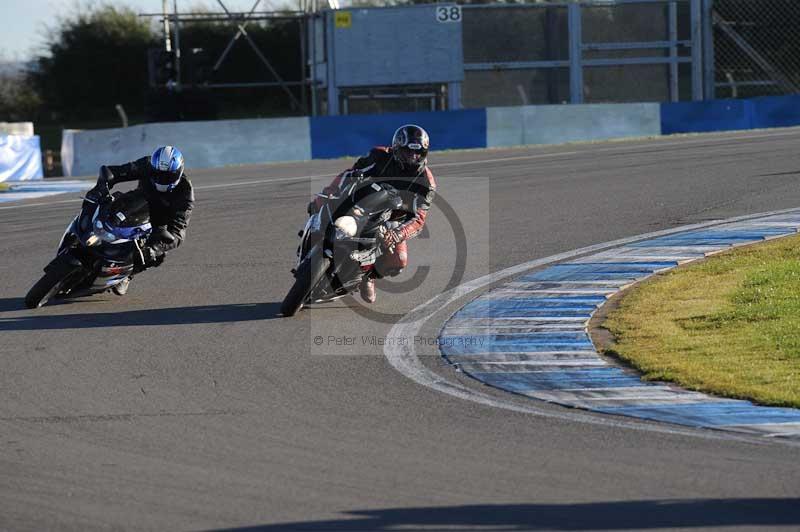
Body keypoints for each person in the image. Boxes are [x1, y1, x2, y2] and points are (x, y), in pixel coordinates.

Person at [309, 124, 436, 304]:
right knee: (322, 204)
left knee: (398, 262)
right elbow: (350, 174)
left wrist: (398, 234)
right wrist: (331, 192)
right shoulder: (379, 156)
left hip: (390, 221)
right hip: (359, 202)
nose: (412, 157)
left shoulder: (427, 182)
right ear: (397, 148)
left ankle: (367, 276)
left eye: (417, 153)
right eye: (407, 152)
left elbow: (419, 219)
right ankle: (314, 236)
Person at [85, 145, 194, 295]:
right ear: (153, 168)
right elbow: (114, 172)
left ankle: (127, 276)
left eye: (167, 176)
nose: (161, 179)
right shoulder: (147, 164)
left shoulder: (185, 193)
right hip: (134, 201)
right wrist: (101, 187)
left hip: (155, 221)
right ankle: (78, 234)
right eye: (158, 174)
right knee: (97, 203)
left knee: (155, 255)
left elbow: (178, 232)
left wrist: (156, 248)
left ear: (178, 173)